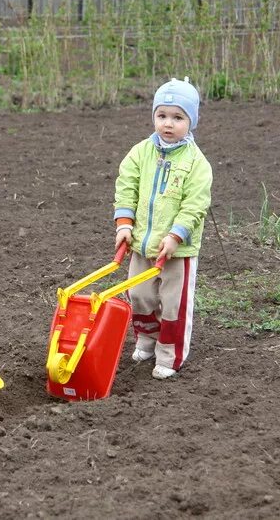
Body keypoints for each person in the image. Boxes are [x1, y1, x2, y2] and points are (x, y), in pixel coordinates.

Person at [113, 77, 212, 380]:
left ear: (191, 121)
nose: (168, 123)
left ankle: (169, 354)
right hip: (142, 243)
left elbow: (195, 204)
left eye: (178, 117)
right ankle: (147, 338)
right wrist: (124, 224)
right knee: (139, 296)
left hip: (177, 250)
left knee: (173, 305)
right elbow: (126, 186)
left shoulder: (196, 163)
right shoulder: (141, 152)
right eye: (162, 116)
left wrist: (175, 235)